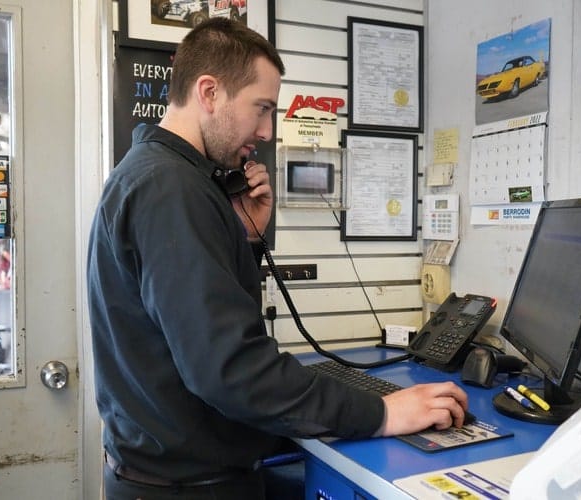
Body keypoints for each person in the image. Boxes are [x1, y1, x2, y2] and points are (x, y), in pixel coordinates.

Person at [87, 17, 469, 499]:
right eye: (261, 108)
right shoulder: (170, 190)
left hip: (176, 473)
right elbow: (231, 370)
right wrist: (384, 412)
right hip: (187, 487)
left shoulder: (156, 176)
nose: (267, 131)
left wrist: (244, 238)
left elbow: (191, 329)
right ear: (209, 92)